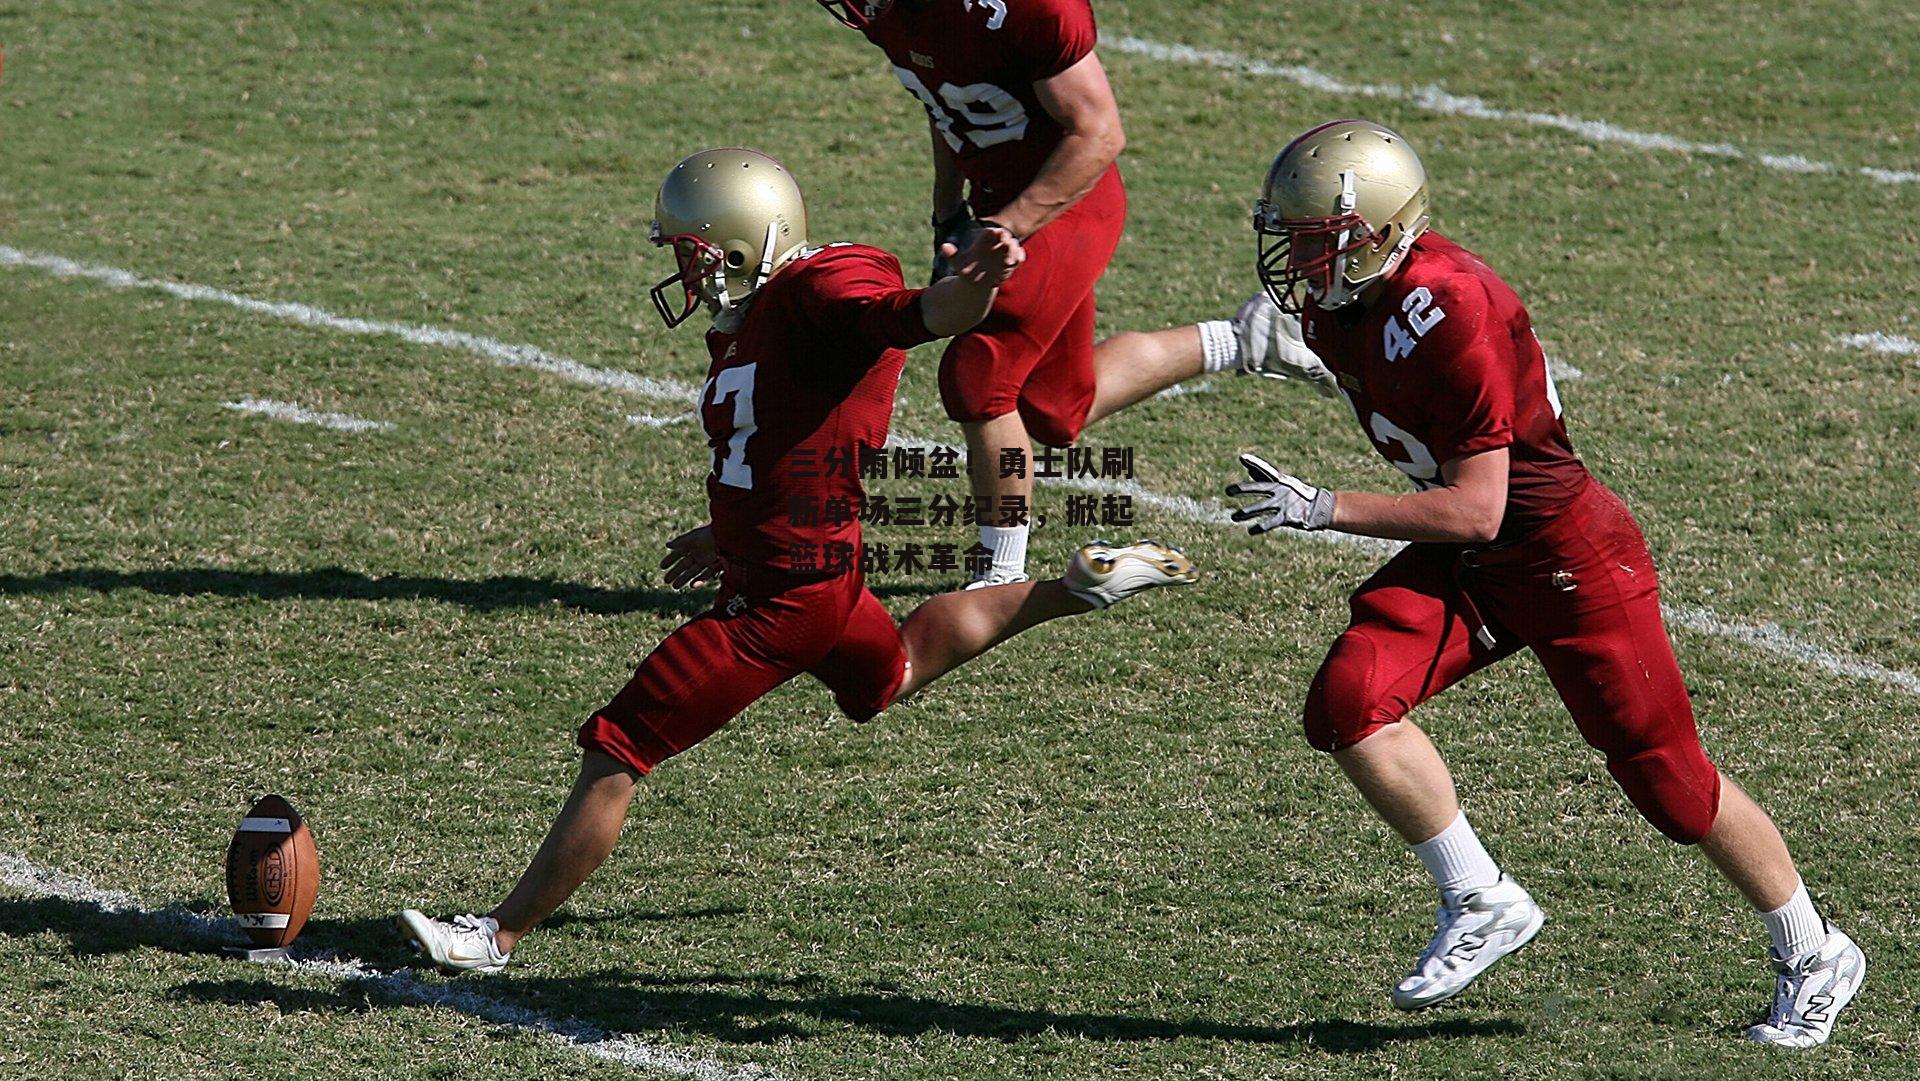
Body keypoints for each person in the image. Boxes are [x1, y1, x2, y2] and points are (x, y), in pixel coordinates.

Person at [398, 148, 1197, 972]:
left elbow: (917, 314)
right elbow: (787, 433)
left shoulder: (822, 290)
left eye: (694, 250)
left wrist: (974, 287)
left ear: (747, 243)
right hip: (823, 574)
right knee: (891, 675)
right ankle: (1078, 587)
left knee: (621, 744)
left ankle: (494, 935)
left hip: (776, 606)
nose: (684, 267)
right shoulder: (766, 313)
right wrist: (731, 529)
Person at [1223, 120, 1863, 1048]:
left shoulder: (1456, 307)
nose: (1296, 255)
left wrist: (1324, 507)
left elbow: (1478, 507)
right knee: (1350, 699)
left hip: (1561, 551)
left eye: (1315, 236)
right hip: (1482, 560)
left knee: (1670, 783)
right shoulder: (1337, 301)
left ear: (1375, 232)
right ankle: (1480, 896)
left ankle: (1816, 949)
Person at [818, 0, 1325, 587]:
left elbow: (1100, 132)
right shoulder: (893, 15)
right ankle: (1249, 339)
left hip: (1068, 205)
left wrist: (1009, 224)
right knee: (1058, 409)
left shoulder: (1025, 9)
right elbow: (948, 106)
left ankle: (999, 573)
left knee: (978, 375)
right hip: (998, 206)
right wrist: (948, 210)